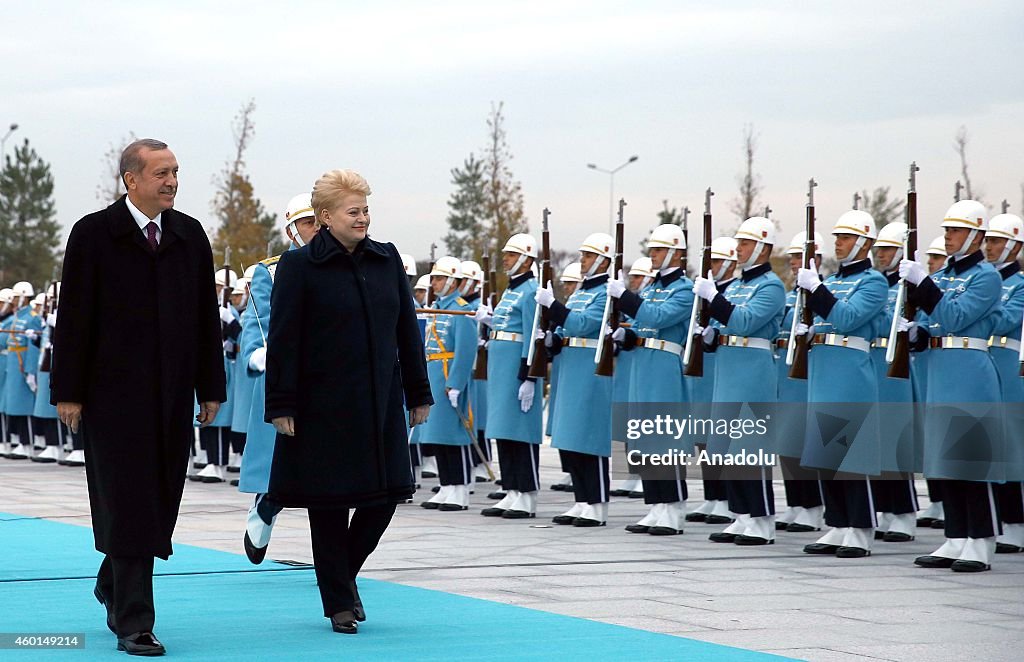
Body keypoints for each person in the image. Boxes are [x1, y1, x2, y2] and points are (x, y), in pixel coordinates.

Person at [51, 138, 226, 656]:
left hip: (172, 396)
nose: (172, 181)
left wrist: (211, 385)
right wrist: (69, 392)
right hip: (111, 398)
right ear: (131, 180)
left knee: (159, 502)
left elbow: (204, 319)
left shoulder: (189, 235)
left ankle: (112, 580)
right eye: (161, 173)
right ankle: (135, 622)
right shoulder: (93, 234)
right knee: (127, 501)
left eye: (175, 171)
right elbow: (75, 318)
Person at [264, 169, 432, 634]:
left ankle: (342, 575)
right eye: (352, 211)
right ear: (325, 217)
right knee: (330, 504)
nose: (362, 218)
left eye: (365, 210)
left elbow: (406, 331)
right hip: (323, 407)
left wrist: (418, 392)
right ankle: (338, 600)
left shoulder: (386, 259)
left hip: (380, 401)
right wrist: (281, 404)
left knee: (387, 496)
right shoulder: (299, 268)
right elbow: (283, 340)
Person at [901, 199, 1004, 572]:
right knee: (945, 457)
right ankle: (956, 536)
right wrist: (915, 332)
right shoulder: (944, 275)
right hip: (940, 367)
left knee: (971, 458)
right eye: (946, 230)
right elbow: (936, 322)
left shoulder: (987, 276)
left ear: (976, 235)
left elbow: (956, 316)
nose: (948, 237)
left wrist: (923, 285)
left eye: (956, 231)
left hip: (969, 370)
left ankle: (981, 540)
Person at [796, 209, 887, 559]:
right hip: (825, 367)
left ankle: (860, 528)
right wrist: (810, 330)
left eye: (846, 237)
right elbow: (828, 320)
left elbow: (847, 319)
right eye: (837, 237)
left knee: (851, 453)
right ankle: (837, 523)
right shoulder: (833, 281)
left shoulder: (874, 282)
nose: (839, 243)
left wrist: (817, 289)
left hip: (850, 371)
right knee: (825, 452)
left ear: (864, 243)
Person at [239, 193, 320, 564]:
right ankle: (267, 505)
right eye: (308, 223)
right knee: (280, 462)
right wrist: (261, 353)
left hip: (331, 376)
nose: (316, 230)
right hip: (286, 375)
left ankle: (336, 566)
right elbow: (256, 325)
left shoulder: (343, 265)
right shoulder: (268, 271)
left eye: (320, 221)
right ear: (292, 230)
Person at [697, 217, 786, 546]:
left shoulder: (771, 286)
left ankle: (762, 520)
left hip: (753, 371)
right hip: (729, 367)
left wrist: (715, 299)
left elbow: (746, 321)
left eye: (746, 243)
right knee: (727, 448)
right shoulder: (735, 286)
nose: (739, 248)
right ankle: (742, 515)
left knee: (750, 448)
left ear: (763, 248)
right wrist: (709, 335)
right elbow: (727, 325)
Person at [610, 224, 693, 535]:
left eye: (658, 250)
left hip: (664, 365)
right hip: (644, 364)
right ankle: (656, 505)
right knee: (645, 437)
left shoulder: (684, 289)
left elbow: (658, 318)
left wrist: (627, 298)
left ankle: (673, 507)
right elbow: (642, 326)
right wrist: (625, 334)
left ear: (675, 252)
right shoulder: (653, 288)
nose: (653, 255)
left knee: (664, 437)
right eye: (652, 250)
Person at [538, 233, 614, 527]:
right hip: (570, 367)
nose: (582, 260)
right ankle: (582, 501)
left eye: (588, 256)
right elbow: (568, 330)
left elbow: (583, 324)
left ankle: (596, 504)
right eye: (583, 255)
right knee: (571, 438)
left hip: (589, 370)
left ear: (604, 260)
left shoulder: (606, 292)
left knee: (589, 439)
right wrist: (550, 339)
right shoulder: (583, 292)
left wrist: (554, 306)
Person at [477, 233, 544, 519]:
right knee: (503, 431)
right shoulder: (512, 289)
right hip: (500, 368)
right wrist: (489, 322)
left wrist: (528, 376)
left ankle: (526, 495)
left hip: (516, 371)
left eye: (512, 255)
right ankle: (512, 490)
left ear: (527, 260)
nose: (505, 259)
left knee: (520, 433)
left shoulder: (530, 291)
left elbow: (531, 336)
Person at [417, 256, 477, 511]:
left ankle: (460, 489)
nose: (435, 283)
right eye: (434, 279)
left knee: (455, 436)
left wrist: (456, 383)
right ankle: (447, 485)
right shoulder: (438, 306)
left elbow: (465, 350)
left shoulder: (460, 309)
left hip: (448, 376)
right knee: (438, 436)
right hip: (434, 374)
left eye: (440, 278)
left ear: (453, 281)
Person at [982, 211, 1024, 554]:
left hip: (1009, 364)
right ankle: (998, 518)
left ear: (1014, 245)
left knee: (1011, 446)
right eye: (988, 240)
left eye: (996, 241)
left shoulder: (1021, 284)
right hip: (985, 363)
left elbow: (1007, 320)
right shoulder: (986, 280)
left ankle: (1016, 522)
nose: (989, 247)